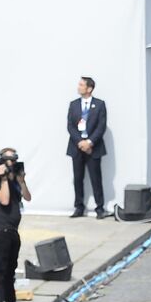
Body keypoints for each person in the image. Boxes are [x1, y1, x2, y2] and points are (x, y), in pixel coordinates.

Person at [0, 147, 30, 302]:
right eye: (8, 160)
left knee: (11, 270)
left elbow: (28, 197)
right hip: (1, 230)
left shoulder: (14, 181)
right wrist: (4, 178)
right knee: (0, 269)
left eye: (13, 160)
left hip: (13, 230)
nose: (11, 163)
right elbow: (4, 200)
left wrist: (21, 181)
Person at [65, 76, 108, 217]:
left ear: (89, 88)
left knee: (96, 178)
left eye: (81, 85)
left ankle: (100, 208)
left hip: (93, 148)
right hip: (77, 147)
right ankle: (79, 207)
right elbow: (70, 126)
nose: (79, 87)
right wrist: (80, 142)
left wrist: (89, 142)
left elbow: (101, 126)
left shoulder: (99, 104)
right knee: (78, 178)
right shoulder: (74, 104)